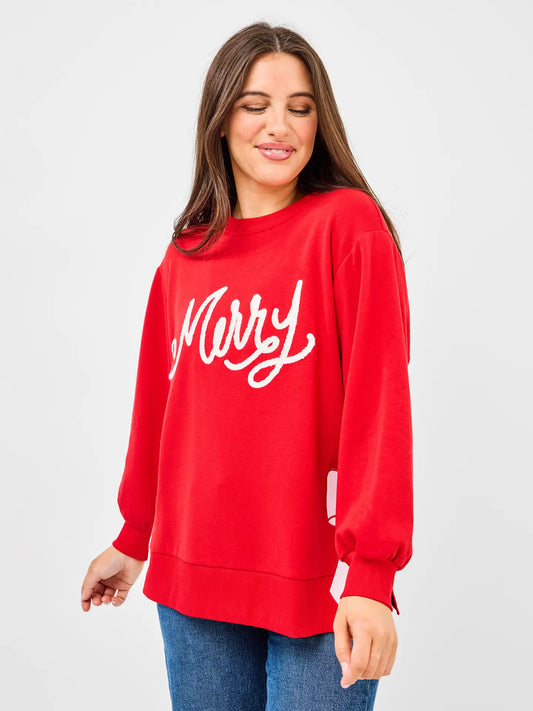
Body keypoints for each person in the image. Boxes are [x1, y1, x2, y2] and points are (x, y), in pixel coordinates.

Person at [80, 21, 413, 711]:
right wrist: (133, 536)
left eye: (300, 107)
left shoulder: (348, 227)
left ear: (320, 122)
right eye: (254, 104)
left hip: (318, 582)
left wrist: (370, 577)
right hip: (192, 578)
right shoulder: (187, 252)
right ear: (220, 117)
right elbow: (158, 408)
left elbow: (378, 408)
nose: (279, 125)